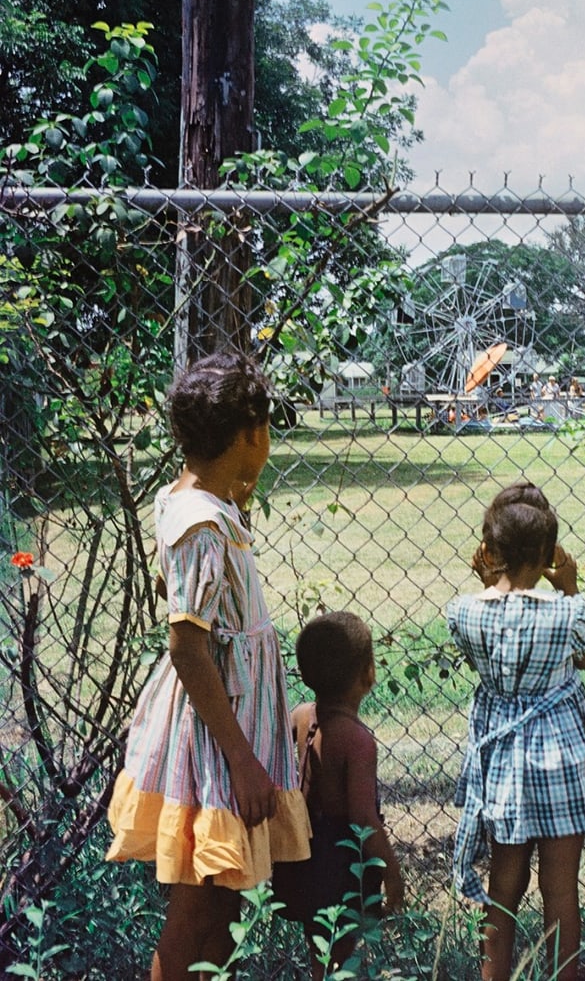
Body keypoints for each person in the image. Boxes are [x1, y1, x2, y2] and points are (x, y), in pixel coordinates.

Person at [105, 351, 310, 981]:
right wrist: (244, 761)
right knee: (199, 907)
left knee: (222, 905)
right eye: (267, 429)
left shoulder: (203, 500)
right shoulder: (202, 525)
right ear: (251, 433)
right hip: (216, 745)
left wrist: (238, 489)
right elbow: (188, 648)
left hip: (228, 730)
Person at [448, 482, 585, 981]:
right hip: (561, 755)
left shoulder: (464, 612)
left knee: (504, 883)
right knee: (561, 889)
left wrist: (488, 577)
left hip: (504, 762)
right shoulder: (569, 612)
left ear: (488, 552)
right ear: (548, 555)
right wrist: (570, 588)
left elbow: (484, 642)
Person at [283, 610, 405, 980]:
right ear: (368, 674)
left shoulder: (301, 715)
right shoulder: (358, 741)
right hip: (341, 858)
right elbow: (362, 817)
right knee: (341, 950)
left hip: (303, 848)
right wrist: (392, 870)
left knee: (317, 943)